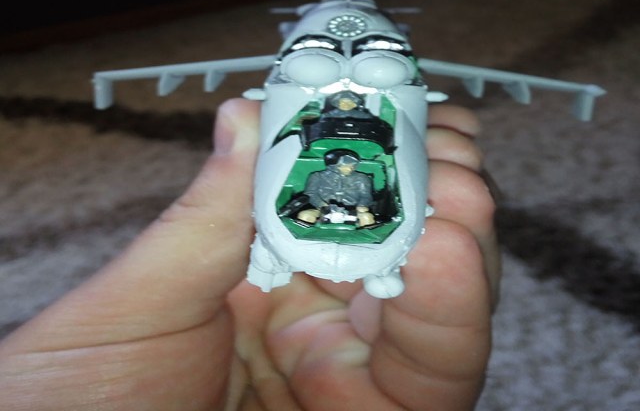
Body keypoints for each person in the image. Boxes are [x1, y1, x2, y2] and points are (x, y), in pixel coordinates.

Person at [0, 98, 501, 410]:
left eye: (352, 161)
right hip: (320, 212)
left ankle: (382, 267)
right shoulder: (320, 175)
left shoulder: (363, 180)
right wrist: (318, 208)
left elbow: (373, 196)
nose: (348, 166)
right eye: (343, 160)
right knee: (293, 219)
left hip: (354, 217)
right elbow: (308, 194)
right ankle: (279, 259)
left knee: (410, 218)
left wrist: (364, 211)